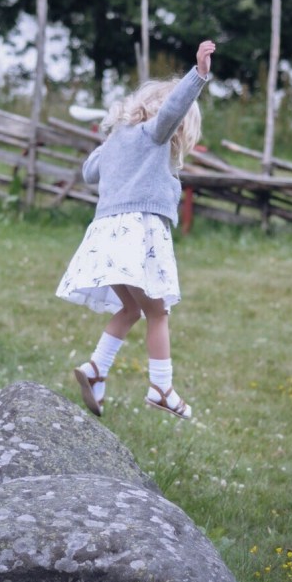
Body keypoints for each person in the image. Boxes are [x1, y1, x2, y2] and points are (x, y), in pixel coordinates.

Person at [56, 40, 216, 420]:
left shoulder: (117, 142)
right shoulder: (152, 134)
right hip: (135, 235)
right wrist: (198, 76)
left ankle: (96, 370)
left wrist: (112, 137)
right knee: (158, 312)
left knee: (131, 308)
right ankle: (162, 387)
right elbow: (172, 111)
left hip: (105, 238)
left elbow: (89, 171)